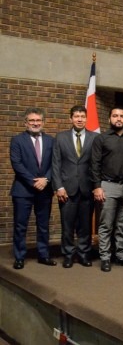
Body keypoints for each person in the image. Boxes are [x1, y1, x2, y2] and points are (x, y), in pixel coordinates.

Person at [91, 107, 123, 272]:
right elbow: (94, 164)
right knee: (106, 224)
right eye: (115, 116)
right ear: (110, 118)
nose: (119, 119)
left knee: (122, 225)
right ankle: (105, 257)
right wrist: (97, 187)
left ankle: (120, 255)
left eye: (122, 116)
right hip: (108, 186)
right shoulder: (101, 138)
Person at [52, 105, 98, 268]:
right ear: (70, 118)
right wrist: (58, 186)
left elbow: (96, 164)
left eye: (82, 116)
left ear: (86, 118)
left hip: (87, 188)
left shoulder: (95, 137)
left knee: (85, 225)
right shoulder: (61, 137)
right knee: (67, 225)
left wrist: (96, 185)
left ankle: (84, 254)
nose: (80, 119)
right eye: (76, 116)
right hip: (67, 189)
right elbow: (56, 164)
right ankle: (68, 255)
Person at [10, 107, 55, 269]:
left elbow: (55, 163)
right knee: (20, 225)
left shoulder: (51, 141)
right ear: (25, 123)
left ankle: (43, 255)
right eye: (32, 120)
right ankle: (20, 257)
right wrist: (34, 181)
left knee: (43, 225)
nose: (35, 123)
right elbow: (17, 164)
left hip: (45, 190)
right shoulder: (17, 140)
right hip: (23, 190)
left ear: (43, 122)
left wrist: (47, 179)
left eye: (38, 120)